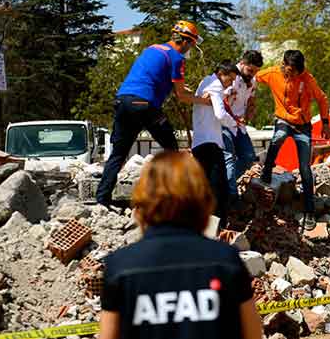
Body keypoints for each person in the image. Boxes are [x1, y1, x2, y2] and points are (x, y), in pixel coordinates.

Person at [99, 151, 263, 339]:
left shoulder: (121, 267)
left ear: (144, 198)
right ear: (201, 197)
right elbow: (252, 334)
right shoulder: (226, 262)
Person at [96, 21, 211, 207]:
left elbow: (152, 75)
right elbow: (182, 96)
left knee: (118, 152)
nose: (191, 49)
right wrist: (204, 101)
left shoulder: (153, 49)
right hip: (144, 104)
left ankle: (102, 198)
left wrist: (176, 87)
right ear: (186, 42)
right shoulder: (177, 58)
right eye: (191, 44)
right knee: (172, 149)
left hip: (123, 101)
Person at [255, 49, 330, 231]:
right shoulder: (273, 73)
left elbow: (322, 99)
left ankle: (309, 210)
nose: (291, 74)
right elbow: (251, 76)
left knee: (305, 168)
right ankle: (267, 169)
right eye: (288, 70)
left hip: (302, 125)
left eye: (295, 72)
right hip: (282, 119)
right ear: (283, 65)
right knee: (279, 136)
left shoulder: (307, 79)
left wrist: (326, 123)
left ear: (300, 69)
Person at [192, 60, 240, 228]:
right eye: (230, 79)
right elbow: (220, 114)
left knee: (204, 185)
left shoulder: (206, 82)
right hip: (210, 143)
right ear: (221, 74)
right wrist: (234, 123)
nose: (231, 83)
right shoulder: (215, 85)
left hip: (199, 142)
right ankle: (217, 227)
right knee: (219, 188)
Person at [222, 50, 264, 205]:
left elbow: (252, 99)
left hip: (240, 127)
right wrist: (233, 118)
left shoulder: (252, 80)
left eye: (255, 72)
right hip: (225, 124)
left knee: (248, 157)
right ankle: (231, 196)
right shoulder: (231, 77)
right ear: (242, 63)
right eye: (250, 70)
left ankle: (225, 182)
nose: (252, 74)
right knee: (229, 158)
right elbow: (223, 101)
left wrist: (249, 113)